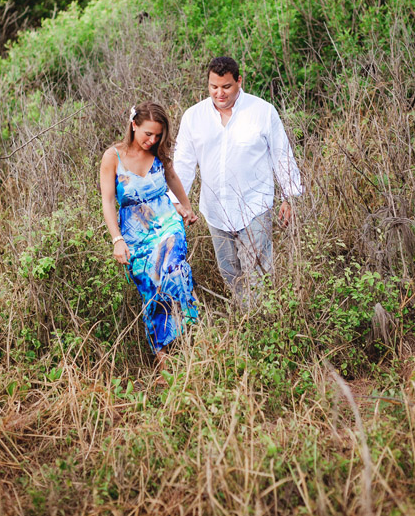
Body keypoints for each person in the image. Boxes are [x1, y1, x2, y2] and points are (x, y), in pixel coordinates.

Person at [171, 56, 303, 309]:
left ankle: (261, 322)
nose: (219, 93)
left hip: (255, 204)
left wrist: (290, 197)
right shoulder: (193, 117)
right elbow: (183, 164)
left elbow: (282, 154)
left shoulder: (262, 111)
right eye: (213, 87)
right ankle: (248, 316)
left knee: (257, 271)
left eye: (226, 87)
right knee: (229, 270)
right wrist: (178, 203)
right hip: (215, 208)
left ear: (239, 81)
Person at [99, 102, 200, 366]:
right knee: (152, 284)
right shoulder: (113, 157)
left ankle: (191, 335)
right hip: (134, 233)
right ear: (134, 125)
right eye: (148, 134)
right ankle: (162, 352)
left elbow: (173, 178)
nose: (152, 140)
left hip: (166, 221)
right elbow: (108, 202)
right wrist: (117, 240)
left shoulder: (158, 153)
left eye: (158, 135)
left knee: (173, 269)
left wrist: (186, 207)